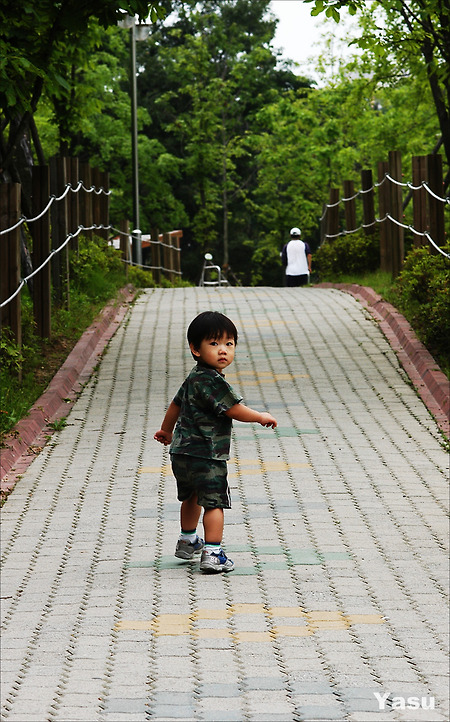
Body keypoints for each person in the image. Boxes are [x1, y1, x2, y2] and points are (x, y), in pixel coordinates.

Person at [154, 311, 277, 573]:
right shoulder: (212, 381)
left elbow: (176, 404)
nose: (223, 350)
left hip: (181, 453)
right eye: (214, 344)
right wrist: (259, 417)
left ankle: (187, 540)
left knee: (191, 496)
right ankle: (213, 552)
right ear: (195, 349)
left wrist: (166, 431)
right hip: (208, 455)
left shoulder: (193, 377)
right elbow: (233, 409)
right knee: (214, 502)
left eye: (229, 344)